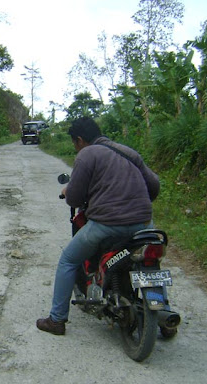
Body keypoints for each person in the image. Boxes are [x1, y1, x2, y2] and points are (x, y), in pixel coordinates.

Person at [36, 117, 160, 335]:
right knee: (150, 260)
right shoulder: (128, 152)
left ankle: (56, 320)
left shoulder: (87, 154)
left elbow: (74, 198)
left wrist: (68, 191)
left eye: (75, 144)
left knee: (68, 260)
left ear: (80, 140)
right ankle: (163, 312)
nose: (76, 148)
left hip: (108, 224)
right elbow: (154, 187)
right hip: (144, 223)